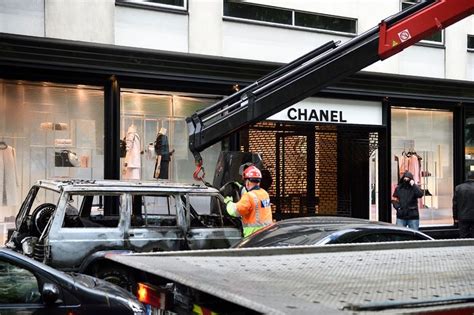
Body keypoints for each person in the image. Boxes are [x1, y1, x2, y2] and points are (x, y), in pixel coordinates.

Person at [224, 166, 273, 237]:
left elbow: (235, 211)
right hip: (266, 234)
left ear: (247, 182)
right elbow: (254, 201)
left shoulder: (248, 196)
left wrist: (228, 202)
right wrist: (241, 188)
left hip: (252, 236)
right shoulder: (264, 194)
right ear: (259, 181)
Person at [452, 171, 474, 238]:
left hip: (463, 216)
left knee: (463, 236)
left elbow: (455, 204)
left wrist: (455, 217)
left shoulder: (458, 188)